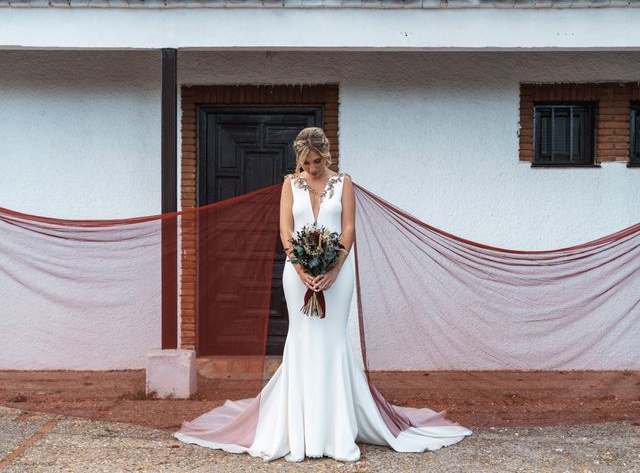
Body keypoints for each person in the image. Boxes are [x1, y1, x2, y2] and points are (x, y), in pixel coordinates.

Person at [174, 127, 473, 462]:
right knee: (301, 340)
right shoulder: (290, 184)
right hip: (296, 273)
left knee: (333, 341)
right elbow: (285, 229)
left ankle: (335, 428)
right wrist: (300, 269)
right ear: (298, 159)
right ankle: (299, 428)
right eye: (306, 162)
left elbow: (348, 229)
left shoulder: (344, 183)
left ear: (327, 156)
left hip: (338, 275)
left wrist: (333, 269)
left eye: (317, 161)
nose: (312, 168)